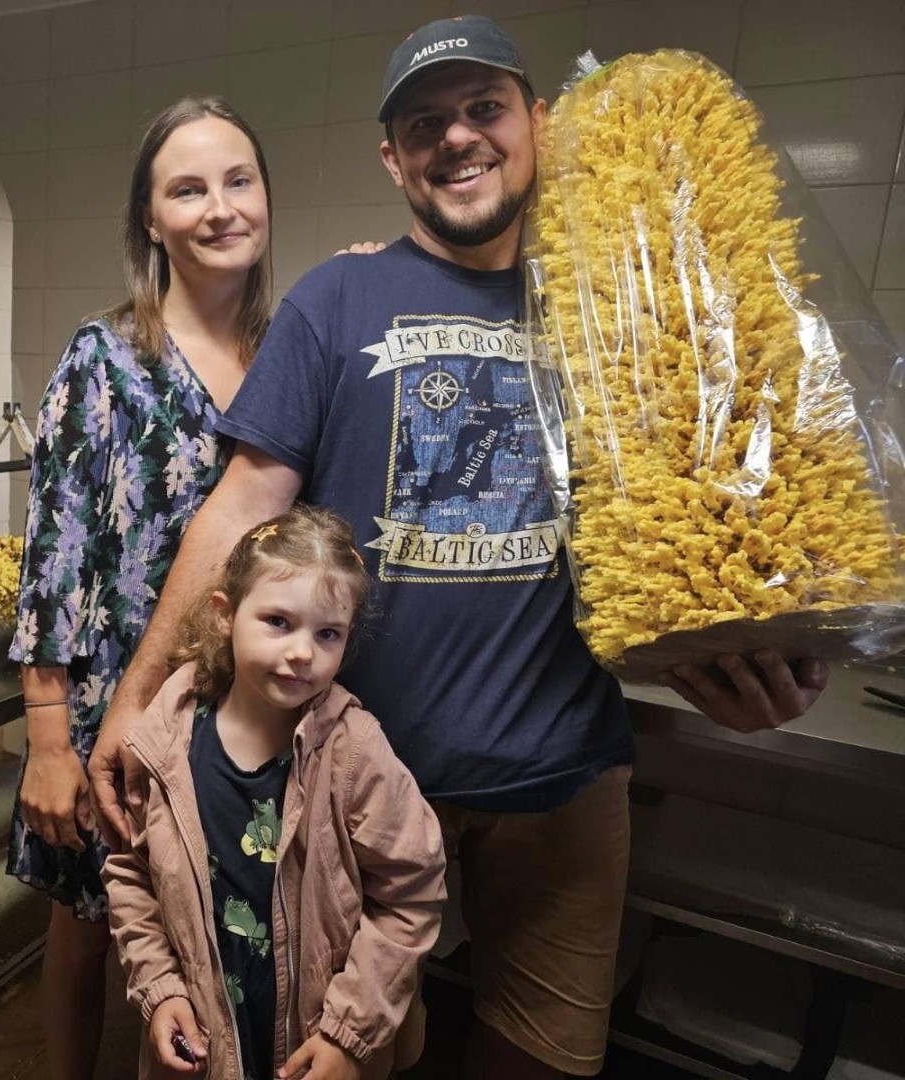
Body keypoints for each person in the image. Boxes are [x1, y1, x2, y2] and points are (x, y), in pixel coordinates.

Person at [88, 16, 828, 1080]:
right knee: (346, 1054)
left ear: (538, 124)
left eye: (485, 109)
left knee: (544, 1062)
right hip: (353, 780)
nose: (459, 137)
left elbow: (707, 514)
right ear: (393, 159)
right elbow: (243, 500)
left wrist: (758, 651)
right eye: (425, 123)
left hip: (564, 782)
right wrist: (132, 699)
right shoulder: (336, 299)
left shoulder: (620, 298)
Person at [6, 96, 273, 1080]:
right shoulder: (107, 357)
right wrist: (48, 745)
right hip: (111, 704)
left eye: (238, 180)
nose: (219, 207)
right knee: (89, 926)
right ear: (151, 221)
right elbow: (55, 556)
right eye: (187, 189)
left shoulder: (293, 353)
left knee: (215, 925)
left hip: (245, 701)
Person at [104, 505, 446, 1080]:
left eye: (327, 633)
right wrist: (161, 989)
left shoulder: (355, 752)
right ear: (224, 615)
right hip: (203, 1049)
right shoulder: (165, 739)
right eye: (278, 622)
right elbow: (131, 873)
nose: (303, 652)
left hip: (317, 1047)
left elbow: (411, 896)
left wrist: (348, 1036)